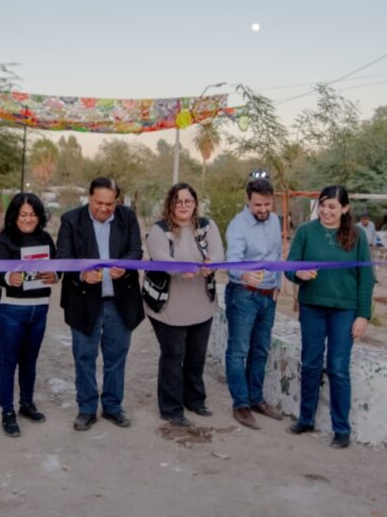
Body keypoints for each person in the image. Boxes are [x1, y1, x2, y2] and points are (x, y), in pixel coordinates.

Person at [284, 185, 374, 449]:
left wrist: (363, 316)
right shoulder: (305, 232)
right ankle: (306, 418)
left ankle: (341, 429)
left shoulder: (357, 236)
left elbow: (366, 278)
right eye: (322, 205)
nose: (326, 210)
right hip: (312, 307)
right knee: (310, 363)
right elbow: (290, 266)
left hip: (344, 312)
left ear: (345, 209)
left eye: (332, 206)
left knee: (338, 367)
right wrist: (297, 274)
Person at [57, 177, 144, 431]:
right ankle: (86, 409)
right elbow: (63, 257)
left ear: (117, 200)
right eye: (99, 203)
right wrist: (81, 274)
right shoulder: (71, 220)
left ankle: (113, 407)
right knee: (84, 356)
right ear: (89, 197)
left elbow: (136, 251)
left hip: (120, 300)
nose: (104, 209)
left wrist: (124, 267)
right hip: (83, 300)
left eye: (110, 204)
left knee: (116, 357)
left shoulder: (127, 218)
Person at [145, 183, 225, 427]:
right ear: (170, 204)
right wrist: (180, 268)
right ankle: (171, 408)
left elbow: (219, 254)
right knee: (173, 355)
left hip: (202, 305)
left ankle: (195, 400)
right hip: (168, 307)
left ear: (195, 203)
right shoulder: (159, 230)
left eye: (188, 201)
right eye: (178, 201)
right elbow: (159, 256)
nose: (183, 205)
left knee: (196, 356)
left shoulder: (207, 226)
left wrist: (212, 263)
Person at [0, 193, 58, 437]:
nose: (28, 219)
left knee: (29, 362)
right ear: (14, 215)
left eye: (33, 214)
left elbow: (56, 266)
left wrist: (55, 276)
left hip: (39, 307)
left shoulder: (45, 238)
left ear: (39, 216)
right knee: (8, 362)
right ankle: (7, 411)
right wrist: (10, 277)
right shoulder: (5, 239)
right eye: (23, 215)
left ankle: (26, 404)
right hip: (10, 310)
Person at [224, 176, 283, 430]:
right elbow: (232, 261)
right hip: (244, 294)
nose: (263, 210)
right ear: (248, 201)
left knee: (260, 350)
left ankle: (256, 398)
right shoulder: (237, 226)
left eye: (267, 205)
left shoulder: (275, 222)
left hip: (269, 296)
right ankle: (241, 404)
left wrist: (278, 283)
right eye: (258, 205)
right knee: (239, 351)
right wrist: (242, 273)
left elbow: (278, 255)